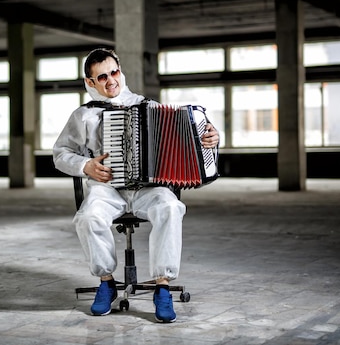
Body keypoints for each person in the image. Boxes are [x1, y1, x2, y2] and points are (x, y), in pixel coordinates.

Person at [52, 48, 220, 323]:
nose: (110, 80)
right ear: (90, 83)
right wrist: (86, 166)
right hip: (106, 189)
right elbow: (60, 154)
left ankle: (162, 286)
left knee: (170, 207)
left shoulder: (149, 107)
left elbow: (189, 138)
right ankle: (106, 282)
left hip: (149, 188)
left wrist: (211, 138)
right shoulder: (83, 115)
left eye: (114, 72)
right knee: (88, 217)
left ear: (121, 71)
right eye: (102, 77)